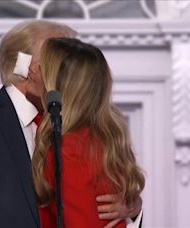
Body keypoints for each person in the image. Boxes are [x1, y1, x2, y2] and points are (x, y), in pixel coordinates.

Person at [0, 20, 142, 228]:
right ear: (26, 67)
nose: (72, 69)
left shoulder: (78, 130)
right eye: (60, 60)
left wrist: (133, 210)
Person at [30, 37, 145, 227]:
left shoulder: (71, 148)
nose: (33, 70)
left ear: (61, 86)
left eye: (42, 67)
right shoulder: (97, 139)